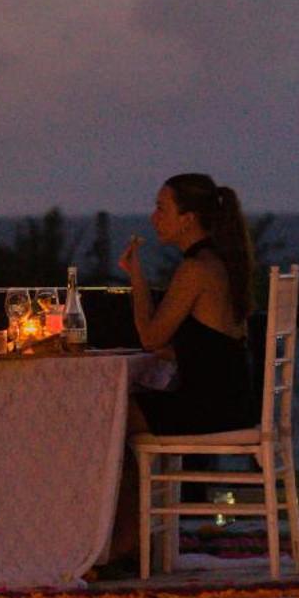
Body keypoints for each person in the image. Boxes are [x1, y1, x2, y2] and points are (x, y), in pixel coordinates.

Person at [118, 173, 258, 437]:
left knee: (107, 413)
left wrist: (136, 275)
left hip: (210, 409)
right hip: (232, 403)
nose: (153, 218)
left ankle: (124, 480)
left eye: (161, 208)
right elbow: (215, 348)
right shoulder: (218, 261)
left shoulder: (196, 269)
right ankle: (135, 480)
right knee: (115, 412)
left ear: (188, 219)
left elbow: (150, 338)